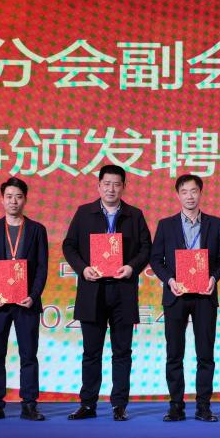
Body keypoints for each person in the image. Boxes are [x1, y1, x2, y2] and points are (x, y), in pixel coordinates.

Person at [62, 165, 152, 421]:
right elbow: (69, 246)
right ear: (99, 185)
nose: (111, 189)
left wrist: (131, 267)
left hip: (123, 290)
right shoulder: (84, 213)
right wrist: (83, 268)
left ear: (124, 187)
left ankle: (119, 405)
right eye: (107, 184)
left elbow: (146, 248)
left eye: (116, 184)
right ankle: (88, 404)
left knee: (122, 352)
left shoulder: (134, 215)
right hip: (93, 290)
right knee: (91, 352)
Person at [149, 174, 220, 422]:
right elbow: (156, 259)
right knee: (174, 353)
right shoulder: (166, 225)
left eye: (194, 191)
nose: (190, 196)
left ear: (200, 193)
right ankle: (176, 405)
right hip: (177, 295)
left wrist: (213, 278)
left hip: (205, 295)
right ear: (178, 195)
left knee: (205, 354)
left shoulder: (215, 224)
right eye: (184, 192)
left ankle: (203, 406)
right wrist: (170, 280)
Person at [0, 177, 49, 421]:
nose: (13, 201)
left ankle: (29, 404)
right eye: (9, 197)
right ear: (2, 200)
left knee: (29, 354)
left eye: (18, 197)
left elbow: (42, 267)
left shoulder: (37, 230)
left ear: (25, 199)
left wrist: (33, 295)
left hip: (26, 303)